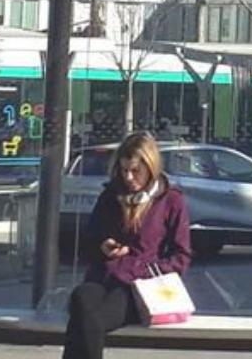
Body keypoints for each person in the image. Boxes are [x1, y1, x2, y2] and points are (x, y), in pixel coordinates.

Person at [62, 132, 192, 359]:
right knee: (81, 299)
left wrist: (141, 266)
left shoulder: (171, 201)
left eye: (135, 171)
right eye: (124, 171)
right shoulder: (110, 196)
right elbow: (89, 241)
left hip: (139, 286)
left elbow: (181, 256)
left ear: (150, 168)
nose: (129, 178)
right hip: (103, 276)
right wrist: (103, 246)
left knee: (88, 322)